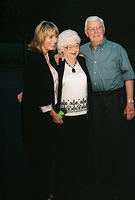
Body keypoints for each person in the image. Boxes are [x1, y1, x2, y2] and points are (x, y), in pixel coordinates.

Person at [79, 16, 135, 200]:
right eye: (91, 29)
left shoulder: (117, 49)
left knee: (118, 141)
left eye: (99, 27)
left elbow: (128, 77)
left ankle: (119, 184)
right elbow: (62, 62)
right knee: (98, 141)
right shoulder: (81, 50)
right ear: (86, 33)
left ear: (104, 29)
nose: (95, 31)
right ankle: (102, 182)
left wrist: (130, 103)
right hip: (93, 102)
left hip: (115, 99)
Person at [21, 20, 62, 200]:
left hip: (44, 114)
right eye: (50, 37)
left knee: (46, 155)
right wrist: (52, 113)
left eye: (56, 36)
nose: (54, 40)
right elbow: (37, 90)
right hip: (36, 117)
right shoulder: (34, 56)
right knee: (37, 155)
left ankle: (46, 190)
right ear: (41, 37)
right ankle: (41, 193)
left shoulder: (48, 56)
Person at [54, 29, 96, 200]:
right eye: (68, 46)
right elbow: (45, 83)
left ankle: (83, 186)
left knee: (83, 151)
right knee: (66, 154)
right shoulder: (57, 63)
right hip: (65, 116)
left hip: (84, 115)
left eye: (76, 45)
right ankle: (66, 188)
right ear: (61, 49)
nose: (73, 49)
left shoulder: (83, 61)